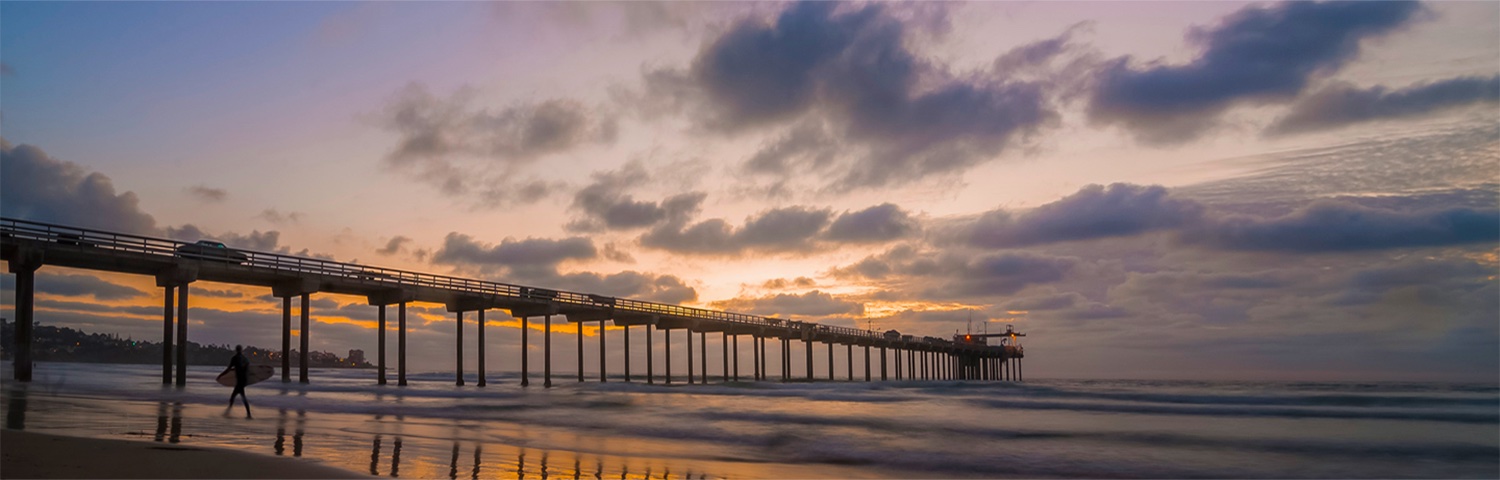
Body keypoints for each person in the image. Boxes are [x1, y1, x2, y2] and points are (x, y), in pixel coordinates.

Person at [226, 345, 252, 418]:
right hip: (244, 380)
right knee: (237, 397)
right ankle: (248, 414)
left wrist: (222, 375)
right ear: (241, 350)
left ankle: (228, 412)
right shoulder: (245, 358)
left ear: (236, 350)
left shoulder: (234, 358)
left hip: (240, 381)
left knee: (235, 397)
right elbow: (247, 367)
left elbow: (229, 368)